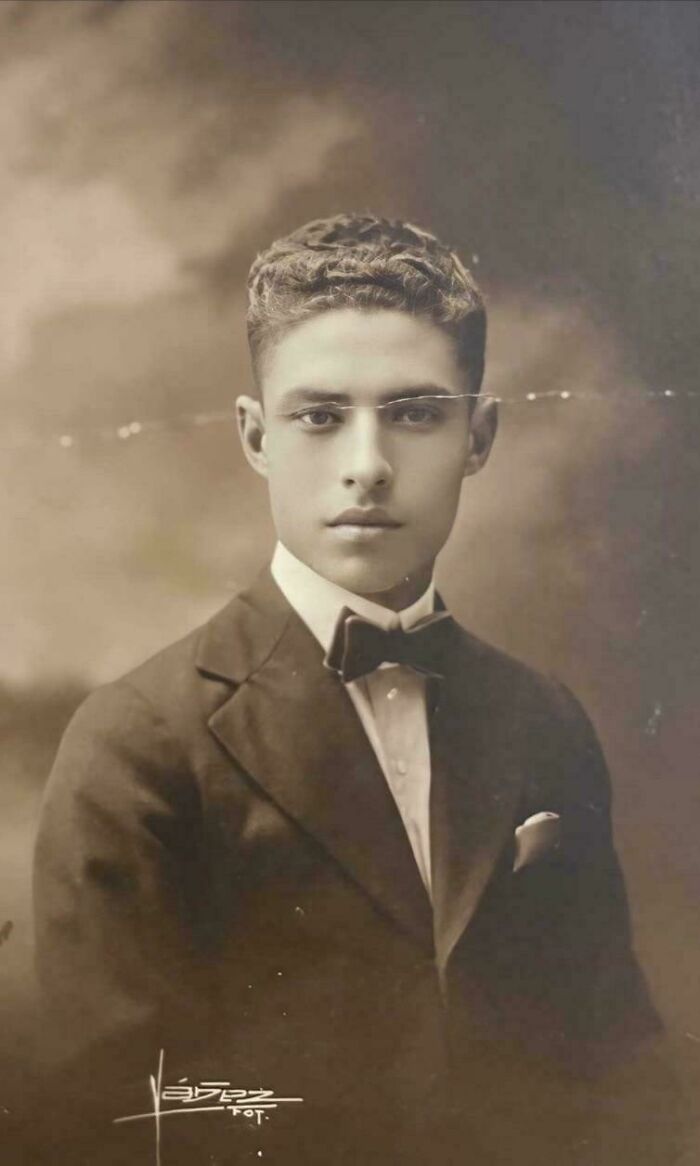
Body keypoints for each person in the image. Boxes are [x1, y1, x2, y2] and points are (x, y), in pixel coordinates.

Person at [33, 214, 684, 1165]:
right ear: (256, 437)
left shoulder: (542, 718)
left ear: (480, 435)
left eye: (416, 412)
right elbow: (116, 1120)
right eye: (320, 416)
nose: (368, 465)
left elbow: (618, 1068)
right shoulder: (137, 741)